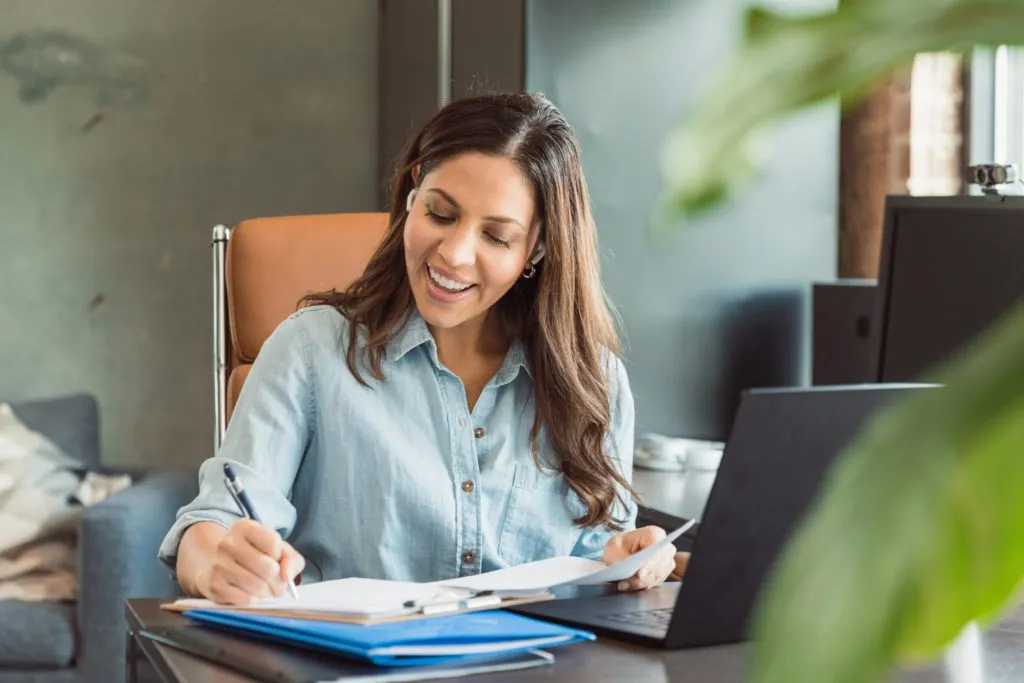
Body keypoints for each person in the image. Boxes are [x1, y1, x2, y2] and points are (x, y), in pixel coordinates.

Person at [159, 91, 679, 606]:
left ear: (537, 249)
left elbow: (602, 556)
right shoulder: (310, 350)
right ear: (412, 196)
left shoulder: (595, 381)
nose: (453, 254)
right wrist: (218, 562)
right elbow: (210, 530)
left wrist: (633, 559)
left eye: (496, 237)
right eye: (440, 213)